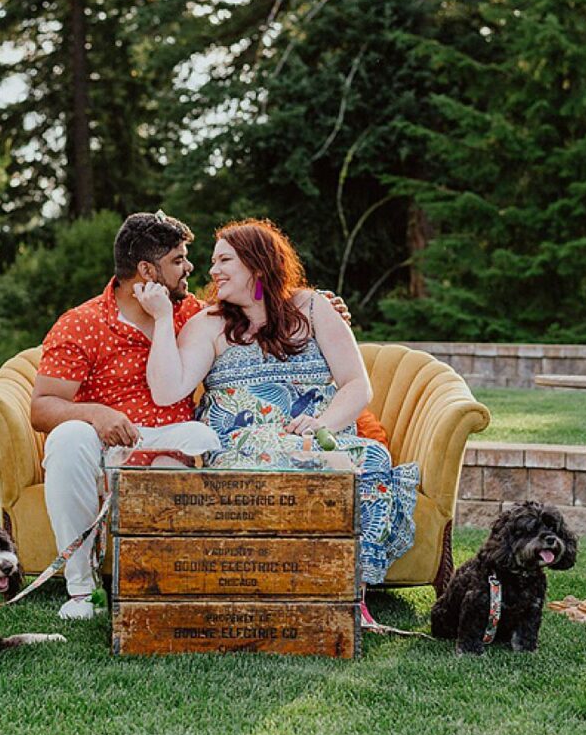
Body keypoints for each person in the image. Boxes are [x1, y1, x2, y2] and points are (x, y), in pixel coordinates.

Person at [30, 210, 367, 621]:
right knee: (68, 438)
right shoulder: (82, 324)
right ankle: (82, 590)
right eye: (178, 260)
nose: (193, 267)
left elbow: (260, 306)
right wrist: (97, 415)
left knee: (203, 438)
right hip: (105, 441)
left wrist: (323, 309)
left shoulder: (190, 311)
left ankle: (177, 580)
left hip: (172, 436)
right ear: (146, 270)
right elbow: (42, 406)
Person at [139, 217, 419, 607]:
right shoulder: (209, 324)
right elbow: (168, 390)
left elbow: (357, 385)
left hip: (321, 438)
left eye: (224, 261)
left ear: (257, 263)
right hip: (244, 447)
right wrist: (163, 319)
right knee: (297, 459)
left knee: (371, 456)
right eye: (213, 262)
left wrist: (322, 424)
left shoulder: (314, 307)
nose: (212, 271)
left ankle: (351, 588)